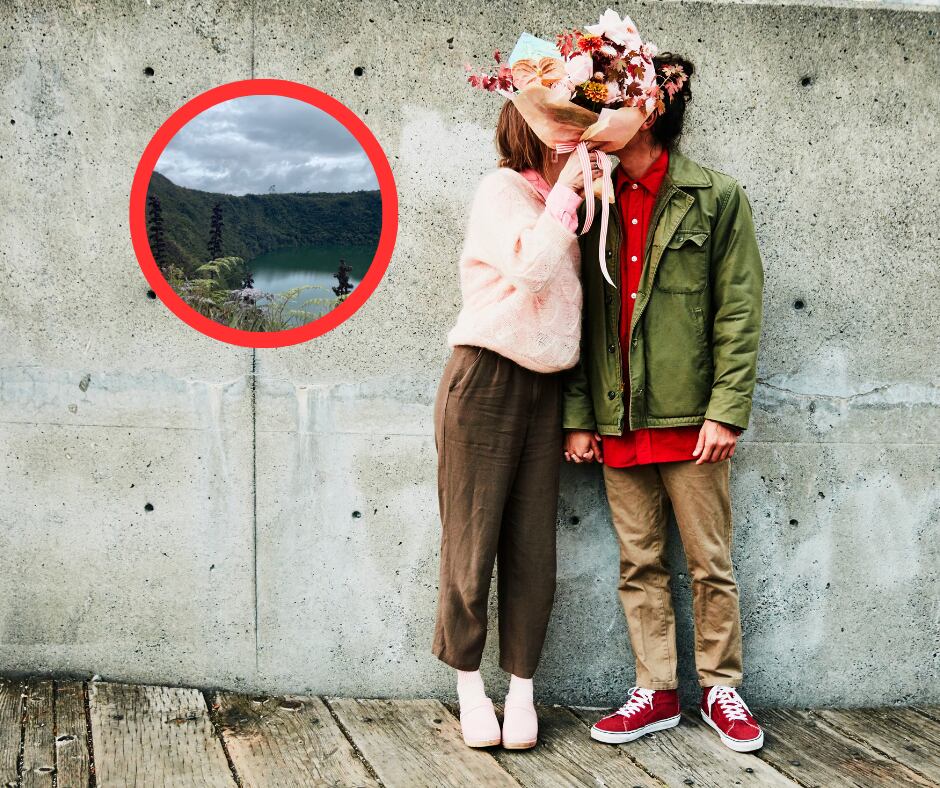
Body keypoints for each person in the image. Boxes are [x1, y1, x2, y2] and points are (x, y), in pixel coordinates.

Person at [563, 53, 767, 753]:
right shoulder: (589, 198)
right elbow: (575, 313)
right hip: (616, 417)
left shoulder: (716, 197)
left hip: (692, 420)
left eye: (609, 104)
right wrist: (579, 415)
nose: (593, 119)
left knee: (710, 562)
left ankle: (721, 689)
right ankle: (656, 691)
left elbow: (738, 311)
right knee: (638, 564)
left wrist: (727, 408)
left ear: (649, 109)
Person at [433, 100, 602, 749]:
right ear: (530, 134)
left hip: (546, 388)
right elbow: (530, 270)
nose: (573, 143)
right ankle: (470, 689)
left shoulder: (576, 203)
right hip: (486, 377)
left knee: (534, 549)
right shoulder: (502, 191)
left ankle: (522, 692)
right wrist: (565, 191)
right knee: (471, 545)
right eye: (562, 131)